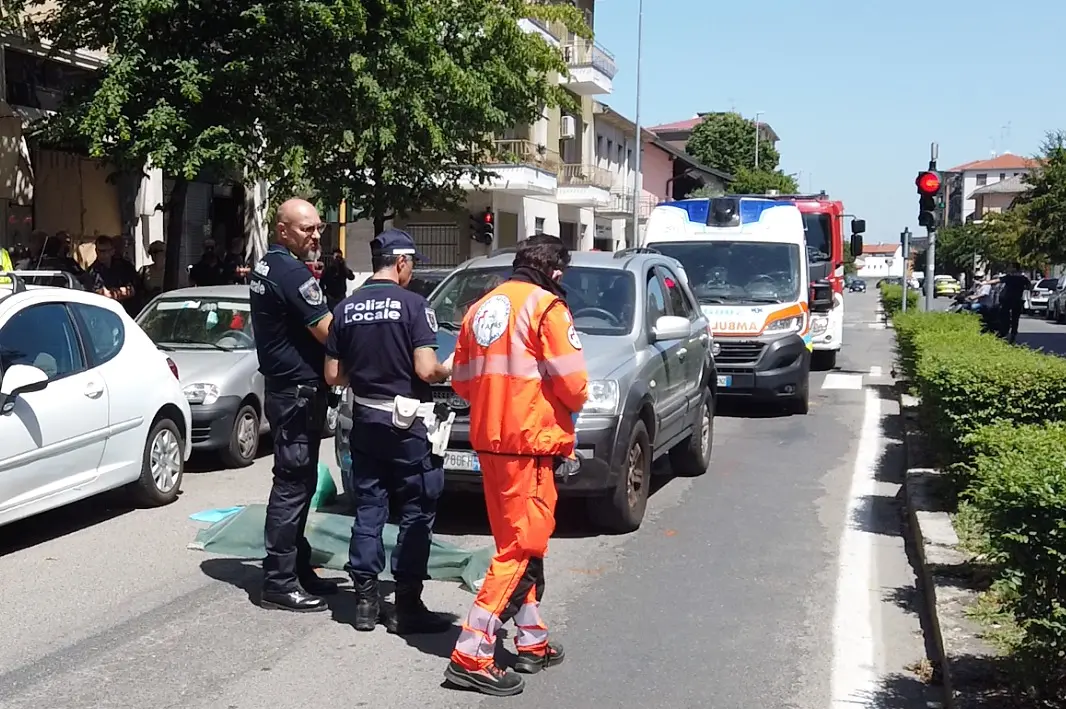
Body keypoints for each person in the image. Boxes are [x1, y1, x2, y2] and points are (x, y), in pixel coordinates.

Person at [444, 235, 589, 696]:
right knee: (521, 549)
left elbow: (462, 382)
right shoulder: (547, 308)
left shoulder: (481, 307)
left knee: (516, 543)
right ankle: (472, 652)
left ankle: (531, 641)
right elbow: (576, 386)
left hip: (490, 440)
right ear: (556, 271)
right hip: (529, 444)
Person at [323, 228, 454, 634]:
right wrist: (455, 365)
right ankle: (408, 604)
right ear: (400, 262)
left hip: (366, 423)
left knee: (369, 507)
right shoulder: (415, 306)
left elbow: (333, 376)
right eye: (411, 265)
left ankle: (364, 601)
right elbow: (426, 370)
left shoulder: (345, 308)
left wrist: (365, 375)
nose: (411, 273)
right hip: (409, 427)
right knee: (416, 511)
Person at [249, 198, 337, 612]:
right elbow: (326, 330)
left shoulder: (267, 265)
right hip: (297, 393)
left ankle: (296, 566)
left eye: (318, 228)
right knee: (292, 484)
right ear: (283, 229)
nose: (316, 236)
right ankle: (279, 581)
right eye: (308, 229)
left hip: (287, 389)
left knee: (298, 484)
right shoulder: (289, 271)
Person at [89, 235, 141, 316]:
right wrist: (121, 292)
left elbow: (133, 289)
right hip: (105, 315)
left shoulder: (125, 266)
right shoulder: (92, 272)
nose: (104, 254)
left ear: (112, 251)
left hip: (128, 313)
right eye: (101, 251)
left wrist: (114, 293)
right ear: (96, 251)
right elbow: (103, 295)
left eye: (106, 251)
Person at [997, 263, 1031, 343]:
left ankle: (1004, 332)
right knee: (1015, 318)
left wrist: (984, 283)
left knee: (1004, 315)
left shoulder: (1009, 277)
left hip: (1008, 300)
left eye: (1010, 267)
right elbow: (1029, 286)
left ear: (1014, 269)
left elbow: (997, 280)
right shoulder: (1023, 278)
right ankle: (1013, 333)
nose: (1009, 268)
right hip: (1018, 300)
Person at [320, 248, 355, 312]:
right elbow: (322, 282)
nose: (337, 259)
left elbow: (351, 277)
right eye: (336, 257)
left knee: (341, 312)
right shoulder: (328, 270)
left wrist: (344, 266)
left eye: (339, 257)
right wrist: (325, 292)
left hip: (341, 295)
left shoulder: (343, 269)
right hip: (331, 296)